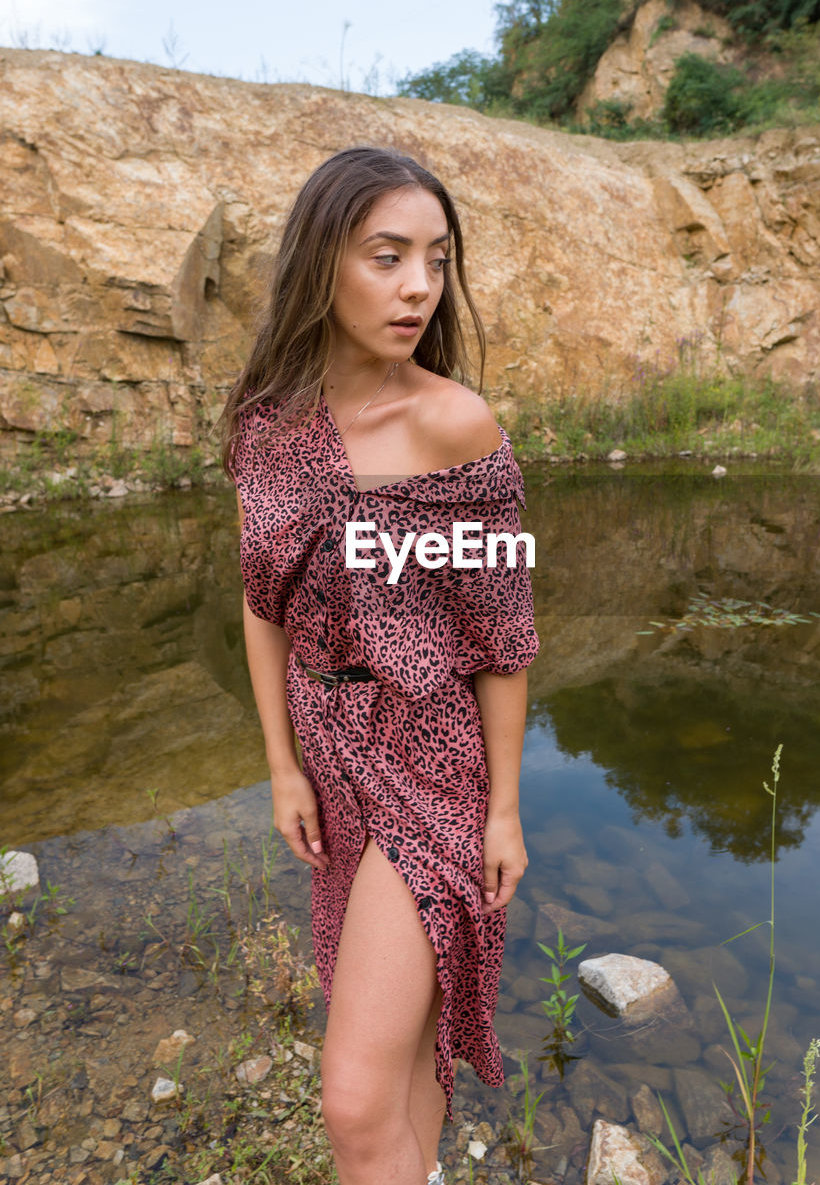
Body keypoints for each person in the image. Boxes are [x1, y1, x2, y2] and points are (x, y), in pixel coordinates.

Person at [221, 147, 538, 1185]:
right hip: (329, 752)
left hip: (432, 760)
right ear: (321, 262)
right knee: (401, 1050)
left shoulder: (455, 424)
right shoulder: (265, 423)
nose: (417, 287)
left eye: (436, 261)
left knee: (354, 1101)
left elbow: (501, 640)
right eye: (387, 256)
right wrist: (281, 763)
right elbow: (260, 598)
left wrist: (502, 809)